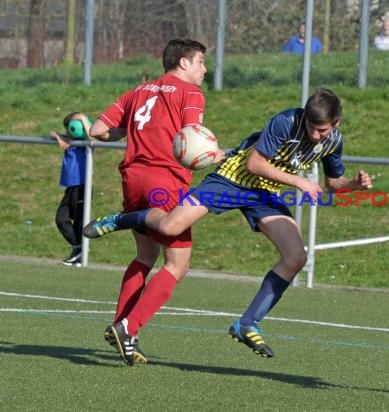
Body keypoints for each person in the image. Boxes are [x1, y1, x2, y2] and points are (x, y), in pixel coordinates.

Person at [84, 87, 372, 359]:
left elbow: (334, 182)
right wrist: (299, 181)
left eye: (322, 129)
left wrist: (353, 185)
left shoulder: (334, 140)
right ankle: (120, 220)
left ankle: (247, 324)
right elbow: (255, 164)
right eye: (311, 126)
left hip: (264, 193)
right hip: (232, 179)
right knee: (171, 226)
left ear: (336, 122)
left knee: (296, 256)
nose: (315, 134)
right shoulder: (287, 120)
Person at [87, 38, 223, 366]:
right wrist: (213, 155)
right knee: (177, 264)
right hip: (165, 181)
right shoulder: (190, 93)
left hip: (133, 177)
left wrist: (130, 133)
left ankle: (121, 325)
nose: (205, 68)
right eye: (201, 61)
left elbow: (97, 129)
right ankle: (128, 326)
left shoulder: (138, 91)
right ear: (183, 63)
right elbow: (192, 134)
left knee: (145, 255)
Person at [49, 112, 92, 266]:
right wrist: (58, 136)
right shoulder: (69, 141)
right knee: (61, 218)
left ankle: (79, 253)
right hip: (70, 187)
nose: (70, 131)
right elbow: (51, 133)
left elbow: (92, 136)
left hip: (81, 186)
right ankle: (78, 248)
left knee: (80, 221)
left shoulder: (86, 144)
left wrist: (82, 119)